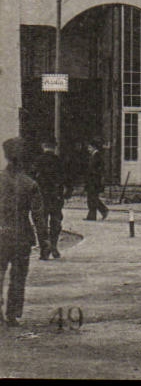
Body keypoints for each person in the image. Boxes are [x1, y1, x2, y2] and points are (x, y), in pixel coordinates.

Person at [1, 138, 48, 327]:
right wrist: (44, 240)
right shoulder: (30, 184)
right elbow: (38, 216)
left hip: (1, 235)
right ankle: (12, 314)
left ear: (5, 156)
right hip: (22, 237)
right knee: (18, 277)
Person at [32, 141, 65, 259]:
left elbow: (32, 178)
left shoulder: (38, 160)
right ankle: (54, 246)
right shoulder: (59, 161)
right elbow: (66, 179)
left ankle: (44, 249)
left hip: (42, 197)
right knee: (56, 222)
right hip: (56, 196)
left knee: (42, 223)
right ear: (54, 147)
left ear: (43, 146)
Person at [83, 139, 109, 221]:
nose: (88, 149)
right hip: (91, 181)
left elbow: (99, 170)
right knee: (92, 198)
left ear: (94, 147)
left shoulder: (97, 156)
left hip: (94, 181)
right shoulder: (93, 156)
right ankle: (95, 214)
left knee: (92, 198)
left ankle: (101, 211)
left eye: (89, 147)